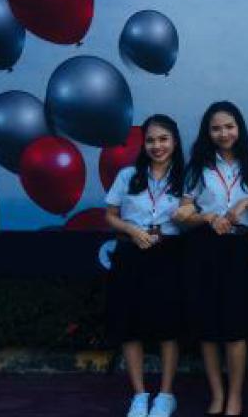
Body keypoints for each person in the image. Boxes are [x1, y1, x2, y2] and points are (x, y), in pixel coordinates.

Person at [175, 101, 248, 417]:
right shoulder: (197, 167)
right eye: (216, 128)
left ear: (239, 128)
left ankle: (235, 396)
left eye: (229, 126)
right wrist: (205, 217)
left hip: (240, 250)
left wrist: (247, 203)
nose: (223, 133)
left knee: (235, 327)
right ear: (208, 132)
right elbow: (182, 212)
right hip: (204, 249)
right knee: (208, 326)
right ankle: (217, 393)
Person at [105, 114, 186, 417]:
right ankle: (139, 395)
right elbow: (110, 215)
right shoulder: (128, 175)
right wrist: (131, 230)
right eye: (151, 140)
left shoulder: (187, 177)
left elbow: (194, 215)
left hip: (170, 254)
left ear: (174, 142)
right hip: (132, 252)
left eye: (163, 139)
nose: (157, 146)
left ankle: (165, 395)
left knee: (168, 326)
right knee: (130, 327)